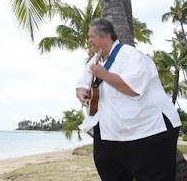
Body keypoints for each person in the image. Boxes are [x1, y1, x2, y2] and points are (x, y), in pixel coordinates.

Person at [76, 17, 181, 181]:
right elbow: (83, 83)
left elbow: (134, 89)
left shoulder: (132, 56)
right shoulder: (95, 60)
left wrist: (105, 75)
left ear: (107, 36)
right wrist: (81, 91)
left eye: (92, 37)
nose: (89, 41)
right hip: (111, 135)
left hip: (148, 131)